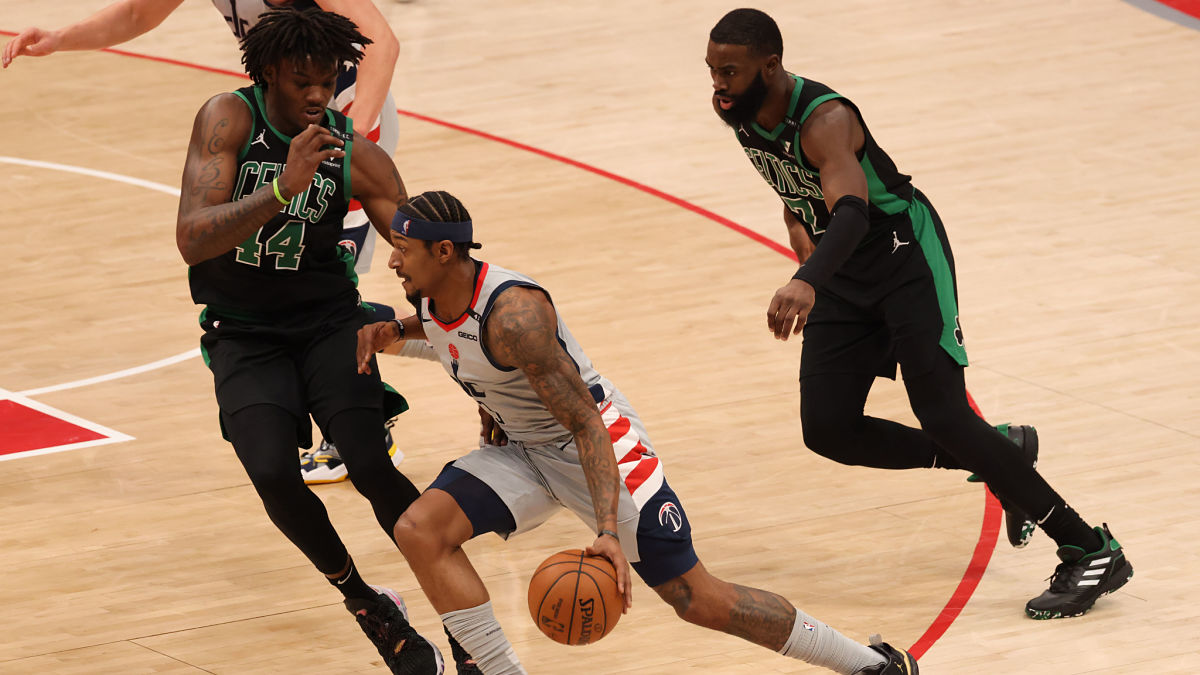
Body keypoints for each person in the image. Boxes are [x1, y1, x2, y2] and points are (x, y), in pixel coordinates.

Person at [354, 190, 919, 675]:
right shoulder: (431, 297)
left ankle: (868, 664)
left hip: (598, 445)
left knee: (697, 599)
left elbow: (585, 423)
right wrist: (388, 334)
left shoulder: (514, 317)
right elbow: (442, 332)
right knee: (420, 530)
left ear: (444, 252)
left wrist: (605, 531)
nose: (394, 263)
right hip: (527, 451)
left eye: (403, 251)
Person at [705, 8, 1132, 620]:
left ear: (770, 67)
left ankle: (1090, 549)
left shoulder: (826, 119)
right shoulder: (743, 114)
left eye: (730, 71)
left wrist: (806, 278)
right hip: (841, 271)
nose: (718, 84)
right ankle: (999, 453)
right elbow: (795, 192)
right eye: (713, 70)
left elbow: (852, 209)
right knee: (828, 428)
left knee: (941, 411)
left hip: (903, 259)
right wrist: (804, 239)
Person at [2, 0, 415, 485]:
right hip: (284, 125)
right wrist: (58, 38)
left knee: (328, 276)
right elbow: (138, 15)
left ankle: (368, 416)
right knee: (278, 262)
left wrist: (347, 141)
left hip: (345, 117)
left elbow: (381, 43)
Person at [175, 9, 445, 672]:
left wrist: (468, 345)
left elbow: (425, 265)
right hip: (244, 333)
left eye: (328, 81)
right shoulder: (226, 120)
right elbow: (192, 238)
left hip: (328, 324)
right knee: (271, 471)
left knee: (369, 462)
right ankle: (368, 603)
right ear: (267, 73)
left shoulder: (354, 153)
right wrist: (279, 189)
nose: (319, 96)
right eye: (303, 82)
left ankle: (464, 623)